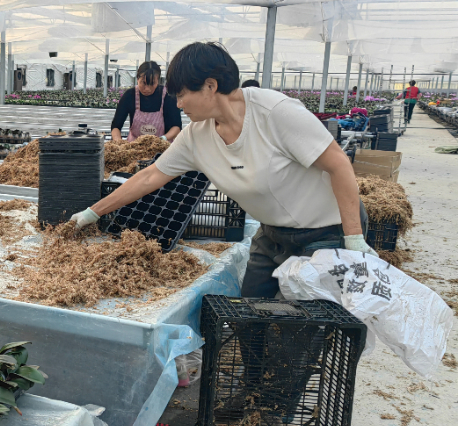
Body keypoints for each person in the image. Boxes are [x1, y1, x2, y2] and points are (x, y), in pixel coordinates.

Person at [71, 42, 376, 300]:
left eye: (182, 95)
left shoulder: (274, 112)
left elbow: (338, 164)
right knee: (250, 313)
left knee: (304, 326)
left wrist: (353, 239)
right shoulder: (196, 136)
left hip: (327, 231)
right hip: (273, 233)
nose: (179, 104)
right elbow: (149, 177)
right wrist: (92, 213)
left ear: (210, 86)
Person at [111, 62, 183, 142]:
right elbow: (116, 126)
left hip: (161, 146)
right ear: (137, 78)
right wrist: (118, 142)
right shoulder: (130, 95)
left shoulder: (168, 96)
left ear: (158, 81)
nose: (147, 89)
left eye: (152, 83)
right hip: (134, 146)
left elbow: (176, 127)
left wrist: (163, 139)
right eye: (144, 83)